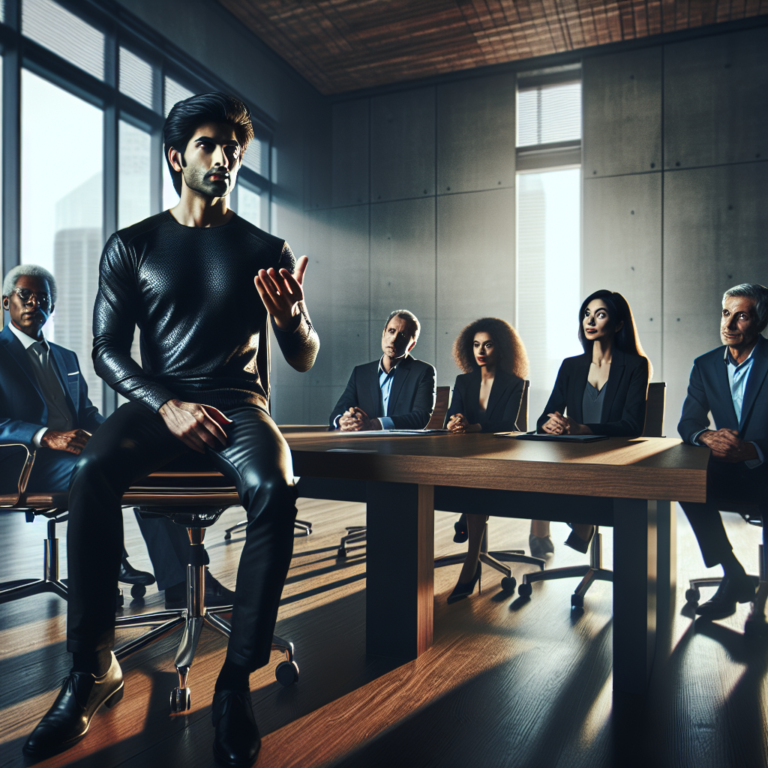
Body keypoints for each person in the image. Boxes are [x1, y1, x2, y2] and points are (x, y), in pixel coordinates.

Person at [25, 93, 319, 768]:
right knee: (93, 471)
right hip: (158, 404)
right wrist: (168, 405)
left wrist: (293, 320)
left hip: (238, 404)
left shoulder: (265, 249)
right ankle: (92, 668)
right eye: (209, 145)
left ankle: (235, 681)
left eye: (233, 148)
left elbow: (303, 355)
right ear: (176, 157)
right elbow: (107, 351)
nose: (224, 158)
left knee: (276, 485)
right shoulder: (134, 245)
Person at [0, 263, 168, 594]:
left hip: (74, 455)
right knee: (102, 469)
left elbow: (86, 414)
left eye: (43, 298)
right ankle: (108, 566)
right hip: (22, 463)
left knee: (144, 463)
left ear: (52, 307)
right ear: (6, 302)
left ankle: (177, 581)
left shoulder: (66, 357)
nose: (35, 303)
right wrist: (47, 437)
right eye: (25, 295)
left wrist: (124, 434)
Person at [534, 290, 650, 554]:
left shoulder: (635, 365)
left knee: (577, 479)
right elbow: (546, 415)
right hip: (572, 456)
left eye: (600, 315)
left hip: (614, 457)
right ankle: (583, 522)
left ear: (618, 325)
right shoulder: (570, 366)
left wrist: (583, 429)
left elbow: (632, 425)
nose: (590, 320)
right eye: (587, 314)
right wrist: (548, 425)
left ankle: (583, 523)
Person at [677, 283, 768, 619]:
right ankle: (733, 573)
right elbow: (688, 422)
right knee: (683, 480)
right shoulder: (705, 365)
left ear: (760, 321)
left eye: (740, 316)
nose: (728, 324)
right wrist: (706, 436)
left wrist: (753, 450)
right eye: (725, 313)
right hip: (728, 469)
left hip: (765, 468)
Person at [443, 317, 529, 603]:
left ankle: (471, 564)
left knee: (475, 486)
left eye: (488, 345)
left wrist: (475, 427)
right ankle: (466, 521)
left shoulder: (514, 383)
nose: (480, 351)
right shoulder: (463, 381)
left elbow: (508, 422)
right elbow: (452, 414)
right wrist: (454, 421)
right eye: (476, 345)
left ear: (501, 348)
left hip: (500, 453)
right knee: (470, 482)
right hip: (464, 453)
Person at [329, 309, 436, 431]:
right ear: (384, 333)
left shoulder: (423, 371)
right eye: (391, 331)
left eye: (402, 335)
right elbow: (338, 411)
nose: (394, 339)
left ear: (411, 345)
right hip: (364, 441)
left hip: (402, 442)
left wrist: (375, 424)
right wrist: (341, 420)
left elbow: (420, 417)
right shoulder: (360, 373)